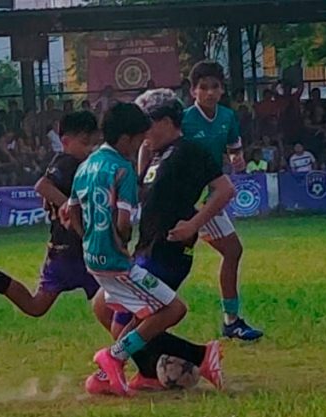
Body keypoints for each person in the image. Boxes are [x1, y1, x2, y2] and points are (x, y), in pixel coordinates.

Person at [87, 89, 233, 394]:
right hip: (146, 247)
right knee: (103, 307)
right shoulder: (155, 154)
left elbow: (224, 189)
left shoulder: (189, 151)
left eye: (147, 124)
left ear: (167, 121)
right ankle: (156, 371)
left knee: (128, 321)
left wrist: (194, 223)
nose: (142, 132)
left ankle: (196, 356)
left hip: (169, 251)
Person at [62, 102, 188, 396]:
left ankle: (107, 378)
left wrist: (89, 238)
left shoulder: (86, 166)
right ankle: (114, 356)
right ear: (125, 139)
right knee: (173, 309)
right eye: (138, 139)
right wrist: (122, 243)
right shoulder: (122, 170)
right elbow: (123, 222)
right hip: (116, 262)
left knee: (138, 314)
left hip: (92, 256)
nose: (140, 145)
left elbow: (72, 212)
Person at [0, 111, 111, 331]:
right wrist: (69, 207)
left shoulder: (63, 162)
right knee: (114, 307)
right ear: (66, 141)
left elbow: (46, 194)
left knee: (35, 306)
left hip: (63, 250)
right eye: (85, 143)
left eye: (94, 143)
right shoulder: (69, 162)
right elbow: (42, 186)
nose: (90, 149)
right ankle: (127, 355)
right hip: (77, 252)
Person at [181, 60, 263, 341]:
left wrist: (236, 158)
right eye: (203, 88)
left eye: (215, 87)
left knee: (231, 251)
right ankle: (230, 321)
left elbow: (233, 147)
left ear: (222, 90)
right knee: (229, 251)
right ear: (193, 91)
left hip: (210, 198)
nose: (210, 93)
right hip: (191, 200)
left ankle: (231, 320)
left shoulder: (227, 117)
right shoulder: (184, 120)